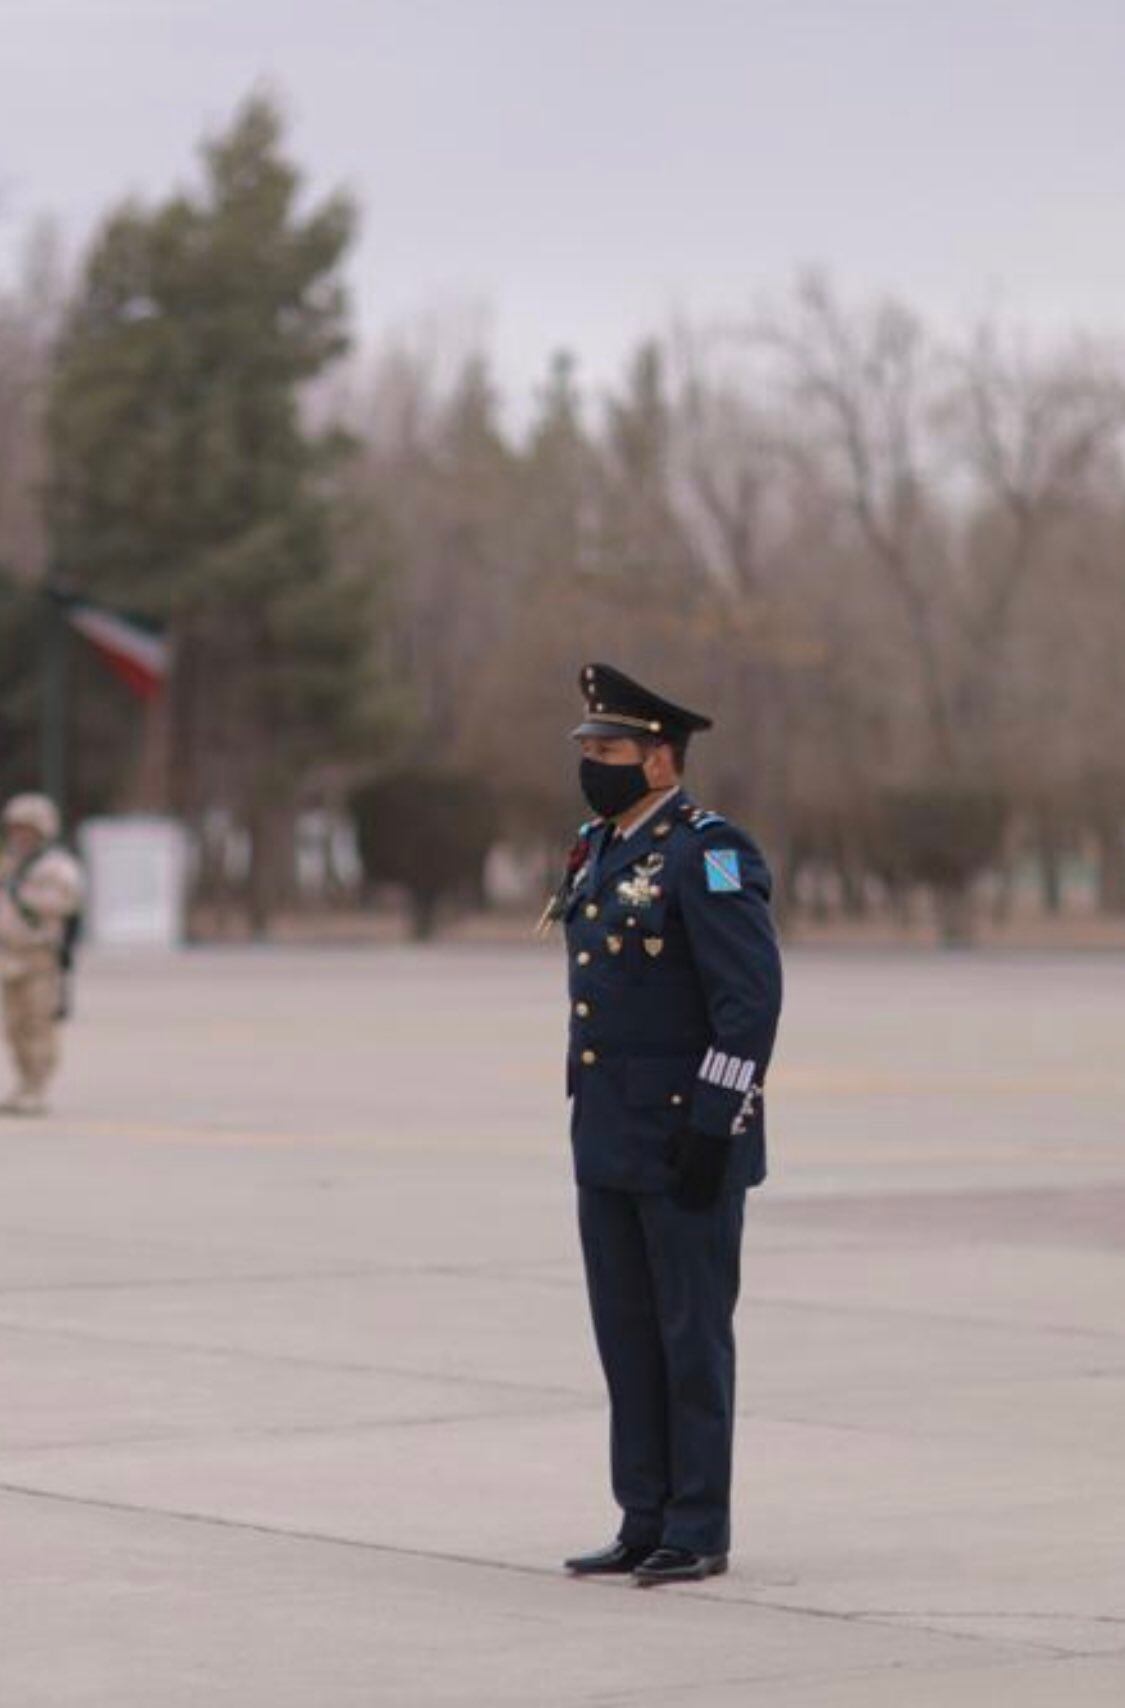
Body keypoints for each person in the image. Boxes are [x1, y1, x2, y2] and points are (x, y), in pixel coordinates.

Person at [548, 663, 782, 1587]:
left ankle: (697, 1524)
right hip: (607, 1134)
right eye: (588, 750)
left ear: (659, 761)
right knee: (626, 1335)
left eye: (609, 751)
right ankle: (641, 1515)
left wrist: (716, 1123)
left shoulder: (708, 852)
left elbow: (750, 1003)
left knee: (690, 1338)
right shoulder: (598, 847)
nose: (592, 764)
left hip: (687, 1137)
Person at [0, 793, 84, 1116]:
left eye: (27, 828)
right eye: (15, 828)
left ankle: (37, 1086)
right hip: (9, 958)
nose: (20, 834)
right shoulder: (11, 863)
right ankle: (22, 1083)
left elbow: (65, 901)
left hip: (40, 959)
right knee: (14, 1027)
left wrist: (25, 894)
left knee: (38, 1025)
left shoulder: (56, 866)